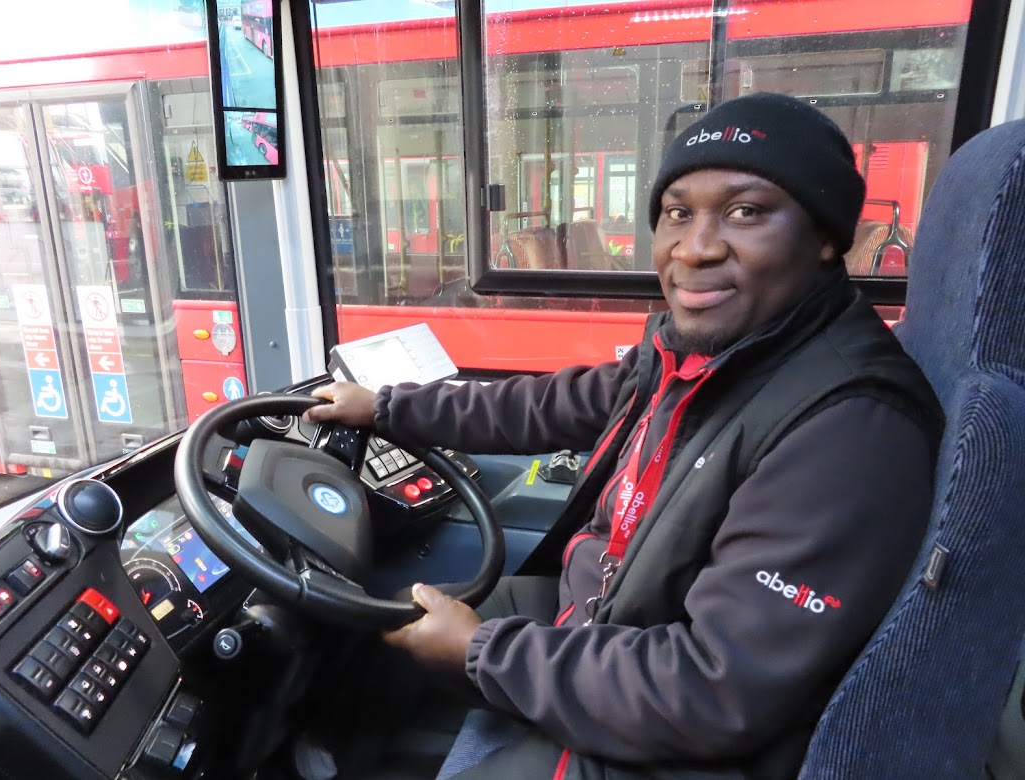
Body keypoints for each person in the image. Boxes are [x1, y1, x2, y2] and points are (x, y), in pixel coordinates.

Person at [305, 93, 944, 779]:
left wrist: (481, 652)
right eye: (677, 213)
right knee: (368, 630)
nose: (695, 249)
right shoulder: (704, 354)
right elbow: (547, 405)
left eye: (746, 212)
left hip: (672, 733)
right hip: (604, 615)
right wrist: (388, 407)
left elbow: (712, 691)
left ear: (824, 236)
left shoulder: (848, 429)